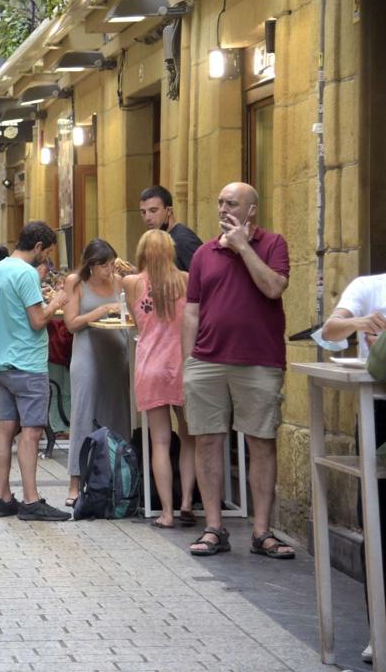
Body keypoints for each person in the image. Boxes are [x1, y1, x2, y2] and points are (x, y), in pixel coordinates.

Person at [183, 182, 293, 558]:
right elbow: (192, 310)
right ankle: (214, 527)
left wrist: (243, 246)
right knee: (208, 440)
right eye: (220, 202)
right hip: (207, 362)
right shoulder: (202, 254)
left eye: (232, 203)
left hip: (259, 361)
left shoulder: (274, 244)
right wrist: (188, 362)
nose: (223, 208)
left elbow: (273, 288)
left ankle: (262, 531)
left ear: (252, 210)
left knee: (260, 442)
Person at [0, 221, 70, 522]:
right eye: (46, 253)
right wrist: (57, 302)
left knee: (5, 428)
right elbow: (37, 320)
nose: (45, 259)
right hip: (28, 363)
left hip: (4, 363)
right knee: (31, 433)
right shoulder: (25, 274)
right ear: (37, 247)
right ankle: (32, 501)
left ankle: (3, 497)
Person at [322, 272, 386, 665]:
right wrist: (362, 323)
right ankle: (377, 630)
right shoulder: (369, 286)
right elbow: (330, 329)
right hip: (378, 408)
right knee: (377, 519)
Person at [123, 230, 197, 529]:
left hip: (150, 365)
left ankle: (166, 512)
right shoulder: (187, 280)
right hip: (182, 365)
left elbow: (135, 318)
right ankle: (187, 502)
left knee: (160, 442)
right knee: (190, 437)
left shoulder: (131, 283)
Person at [62, 238, 131, 506]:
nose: (109, 270)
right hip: (87, 351)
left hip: (117, 351)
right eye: (105, 266)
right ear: (92, 265)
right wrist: (101, 311)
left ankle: (120, 478)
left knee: (118, 412)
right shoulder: (75, 282)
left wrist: (129, 270)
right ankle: (75, 483)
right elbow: (71, 324)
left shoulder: (119, 281)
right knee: (84, 412)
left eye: (112, 264)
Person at [139, 185, 203, 273]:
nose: (147, 217)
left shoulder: (183, 239)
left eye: (153, 211)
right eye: (143, 212)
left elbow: (204, 277)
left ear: (168, 211)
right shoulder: (160, 238)